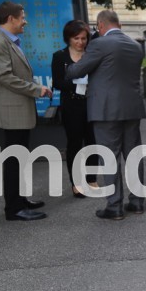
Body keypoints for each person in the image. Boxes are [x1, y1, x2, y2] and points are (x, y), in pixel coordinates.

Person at [66, 10, 146, 220]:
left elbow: (77, 71)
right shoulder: (135, 45)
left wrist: (70, 67)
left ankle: (114, 205)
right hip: (131, 108)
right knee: (133, 154)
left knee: (109, 157)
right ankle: (137, 202)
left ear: (100, 25)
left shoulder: (100, 44)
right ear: (118, 23)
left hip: (105, 110)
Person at [0, 1, 52, 221]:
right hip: (11, 113)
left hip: (17, 112)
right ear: (11, 19)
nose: (25, 21)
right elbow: (4, 77)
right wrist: (36, 89)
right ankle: (13, 209)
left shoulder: (7, 41)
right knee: (13, 160)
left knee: (20, 157)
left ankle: (20, 200)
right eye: (22, 17)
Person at [51, 20, 98, 197]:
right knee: (74, 144)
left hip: (91, 104)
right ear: (68, 38)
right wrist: (76, 86)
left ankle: (92, 178)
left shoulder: (92, 54)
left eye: (83, 38)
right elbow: (57, 82)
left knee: (92, 142)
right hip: (71, 105)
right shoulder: (60, 56)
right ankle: (76, 182)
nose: (80, 42)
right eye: (76, 38)